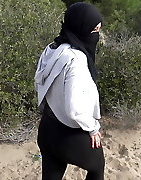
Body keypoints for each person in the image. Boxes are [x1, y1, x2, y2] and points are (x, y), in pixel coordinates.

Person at [34, 2, 105, 180]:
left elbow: (38, 81)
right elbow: (74, 109)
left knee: (52, 174)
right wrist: (93, 128)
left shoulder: (52, 49)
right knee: (97, 168)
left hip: (47, 130)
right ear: (82, 29)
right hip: (69, 136)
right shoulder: (76, 59)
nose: (97, 35)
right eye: (94, 30)